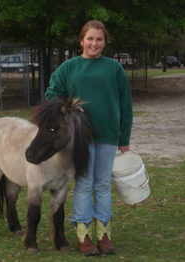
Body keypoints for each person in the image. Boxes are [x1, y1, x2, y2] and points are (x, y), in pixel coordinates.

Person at [45, 20, 133, 256]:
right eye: (90, 38)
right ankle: (83, 235)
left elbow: (125, 104)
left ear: (105, 42)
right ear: (82, 40)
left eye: (99, 39)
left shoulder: (114, 68)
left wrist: (124, 139)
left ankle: (104, 234)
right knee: (84, 184)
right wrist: (70, 106)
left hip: (108, 136)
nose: (95, 43)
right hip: (80, 139)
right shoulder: (68, 68)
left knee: (103, 184)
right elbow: (51, 94)